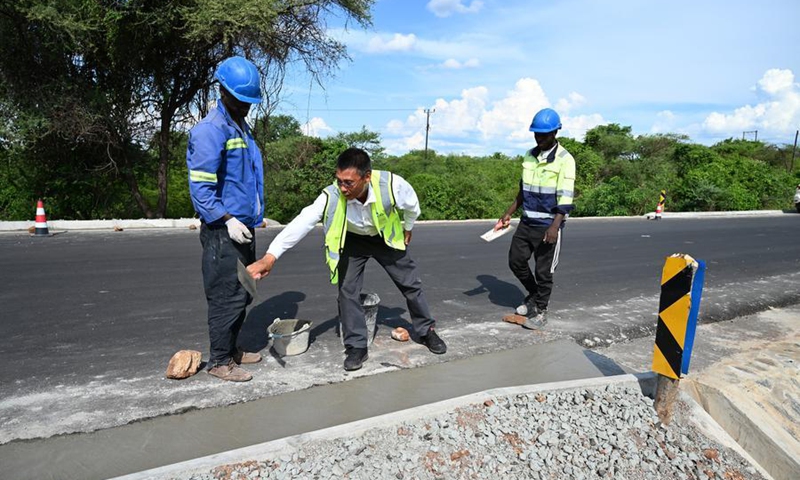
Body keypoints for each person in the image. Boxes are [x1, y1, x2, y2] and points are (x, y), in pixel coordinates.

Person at [247, 147, 447, 371]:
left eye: (349, 183)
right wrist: (270, 257)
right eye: (339, 180)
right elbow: (302, 222)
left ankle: (426, 331)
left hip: (384, 237)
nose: (342, 188)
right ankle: (356, 347)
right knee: (347, 291)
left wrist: (408, 227)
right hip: (352, 240)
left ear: (367, 176)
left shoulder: (393, 185)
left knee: (410, 284)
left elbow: (412, 206)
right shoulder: (331, 195)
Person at [186, 56, 266, 382]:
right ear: (224, 92)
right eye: (240, 99)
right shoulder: (210, 131)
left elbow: (244, 178)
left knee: (244, 291)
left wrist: (251, 214)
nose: (246, 106)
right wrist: (227, 219)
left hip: (243, 226)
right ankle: (219, 361)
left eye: (250, 101)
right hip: (223, 230)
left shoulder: (240, 127)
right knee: (225, 294)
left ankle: (232, 349)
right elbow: (201, 189)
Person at [494, 108, 575, 330]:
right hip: (527, 222)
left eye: (544, 134)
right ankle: (533, 295)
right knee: (516, 261)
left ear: (555, 132)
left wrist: (555, 227)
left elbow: (566, 197)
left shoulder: (565, 160)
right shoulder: (529, 156)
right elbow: (524, 190)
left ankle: (541, 310)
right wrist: (509, 211)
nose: (539, 138)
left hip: (548, 225)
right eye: (536, 134)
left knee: (543, 271)